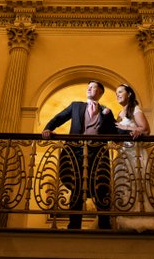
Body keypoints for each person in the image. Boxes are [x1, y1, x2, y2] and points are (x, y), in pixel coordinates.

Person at [41, 80, 117, 229]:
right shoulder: (76, 105)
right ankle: (74, 225)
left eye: (93, 87)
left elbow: (114, 132)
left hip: (98, 154)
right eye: (88, 87)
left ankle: (104, 225)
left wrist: (131, 131)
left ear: (100, 93)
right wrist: (48, 128)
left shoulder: (106, 111)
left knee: (101, 187)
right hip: (75, 152)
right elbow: (59, 118)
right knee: (76, 187)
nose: (89, 89)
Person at [113, 84, 154, 231]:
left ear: (129, 94)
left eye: (120, 92)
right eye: (116, 93)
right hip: (124, 153)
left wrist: (128, 128)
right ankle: (126, 218)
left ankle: (144, 219)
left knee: (139, 183)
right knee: (126, 185)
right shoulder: (120, 112)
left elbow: (146, 130)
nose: (117, 95)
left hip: (136, 153)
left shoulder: (135, 109)